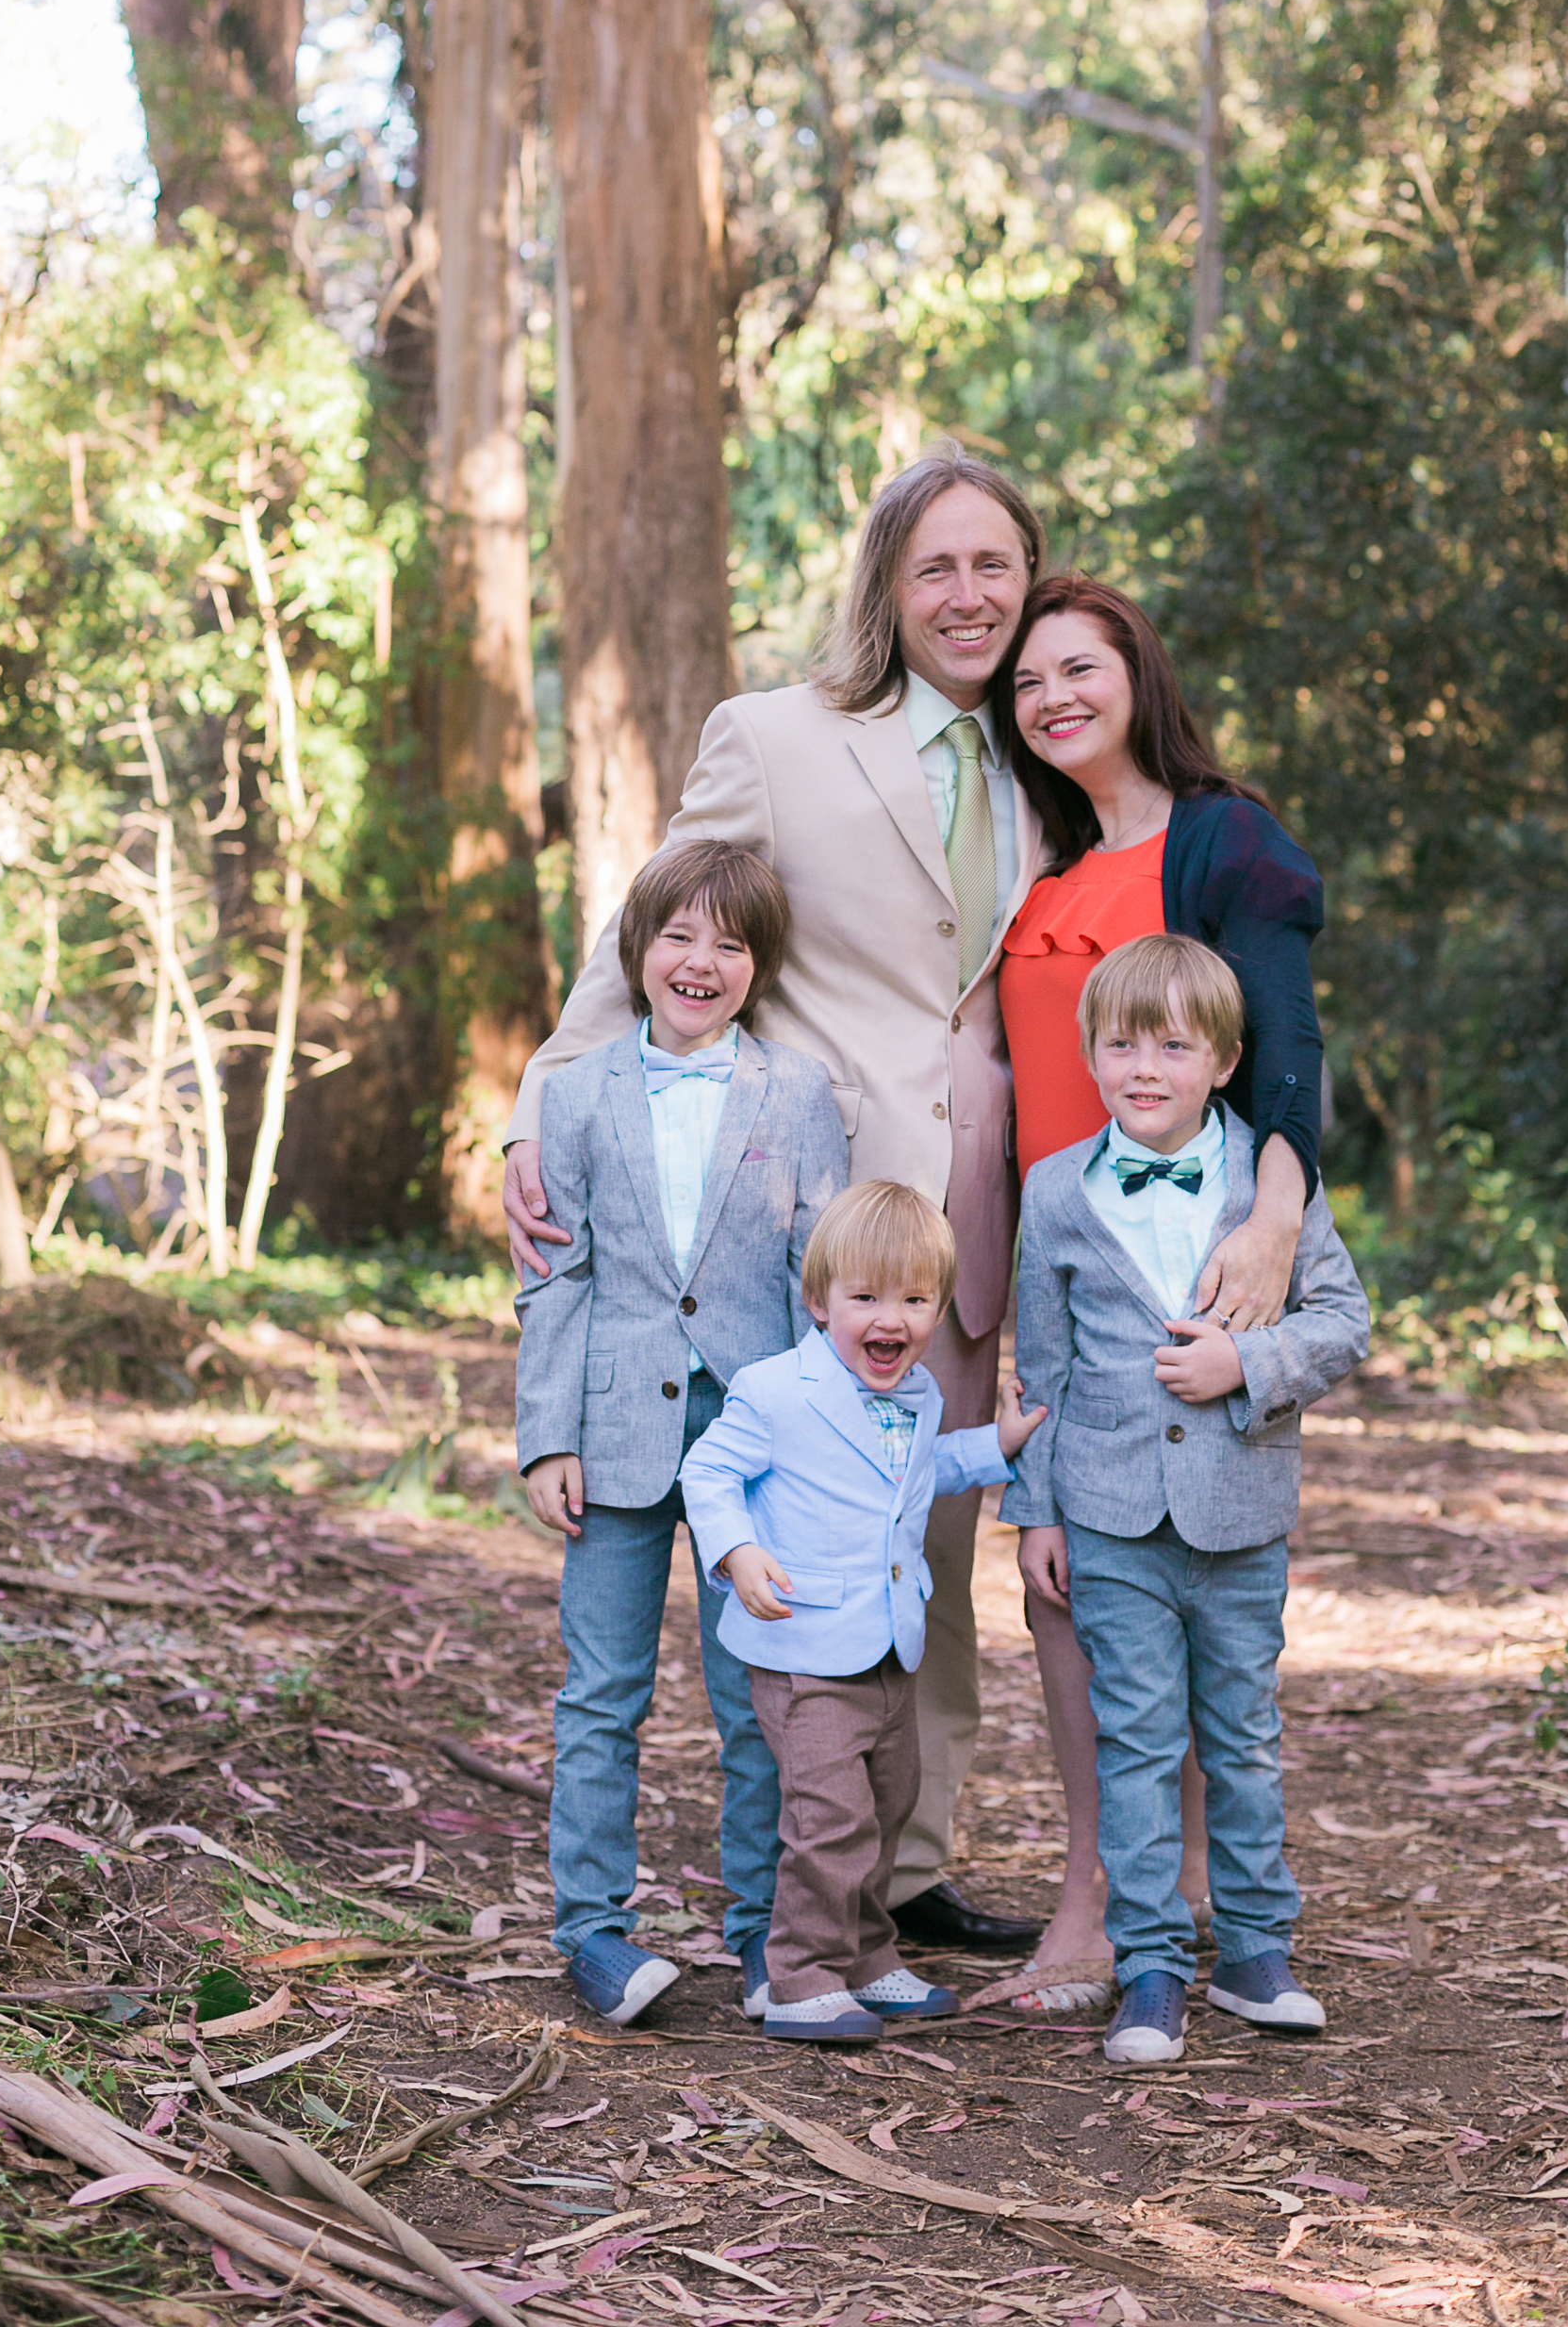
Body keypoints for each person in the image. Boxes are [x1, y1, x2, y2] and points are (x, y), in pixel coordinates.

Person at [503, 447, 1052, 1954]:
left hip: (971, 1220)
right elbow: (651, 942)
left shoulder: (1043, 759)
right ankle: (802, 1882)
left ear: (1029, 582)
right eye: (935, 565)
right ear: (886, 581)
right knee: (799, 1535)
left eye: (993, 565)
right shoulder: (773, 736)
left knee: (924, 1545)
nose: (967, 594)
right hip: (808, 1224)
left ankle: (910, 1860)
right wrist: (534, 1114)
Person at [995, 573, 1329, 2006]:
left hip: (1190, 1248)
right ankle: (1126, 1880)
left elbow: (1290, 1052)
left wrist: (1268, 1231)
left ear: (1139, 673)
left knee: (1190, 1586)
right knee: (1073, 1586)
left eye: (1081, 667)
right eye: (1026, 683)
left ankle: (1162, 1900)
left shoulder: (1221, 842)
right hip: (1064, 1246)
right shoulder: (1042, 865)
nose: (1054, 697)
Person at [1006, 934, 1369, 2064]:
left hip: (1237, 1514)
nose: (1145, 1066)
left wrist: (1245, 1368)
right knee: (1136, 1743)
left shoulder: (1268, 1181)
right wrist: (1036, 1513)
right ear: (1091, 1057)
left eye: (1174, 1045)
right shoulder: (1054, 1190)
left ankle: (1257, 1951)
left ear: (1221, 1062)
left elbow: (1341, 1320)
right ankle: (1150, 1964)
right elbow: (1042, 1368)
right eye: (1122, 1044)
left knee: (1241, 1740)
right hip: (1107, 1515)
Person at [514, 839, 849, 2026]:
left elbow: (828, 1277)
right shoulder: (574, 1091)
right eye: (678, 936)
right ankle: (594, 1934)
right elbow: (555, 1275)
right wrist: (547, 1435)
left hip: (751, 1442)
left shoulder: (799, 1094)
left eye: (729, 943)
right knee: (601, 1693)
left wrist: (818, 1438)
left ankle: (763, 1934)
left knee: (754, 1692)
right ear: (637, 950)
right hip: (609, 1432)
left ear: (757, 968)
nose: (700, 962)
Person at [682, 1181, 1047, 2041]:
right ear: (819, 1301)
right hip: (803, 1648)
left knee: (889, 1802)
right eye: (868, 1298)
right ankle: (800, 1975)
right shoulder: (776, 1390)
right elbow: (707, 1473)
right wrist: (737, 1553)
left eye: (916, 1300)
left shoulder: (916, 1397)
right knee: (830, 1816)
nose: (893, 1319)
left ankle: (868, 1956)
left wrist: (996, 1446)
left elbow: (922, 1475)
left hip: (888, 1645)